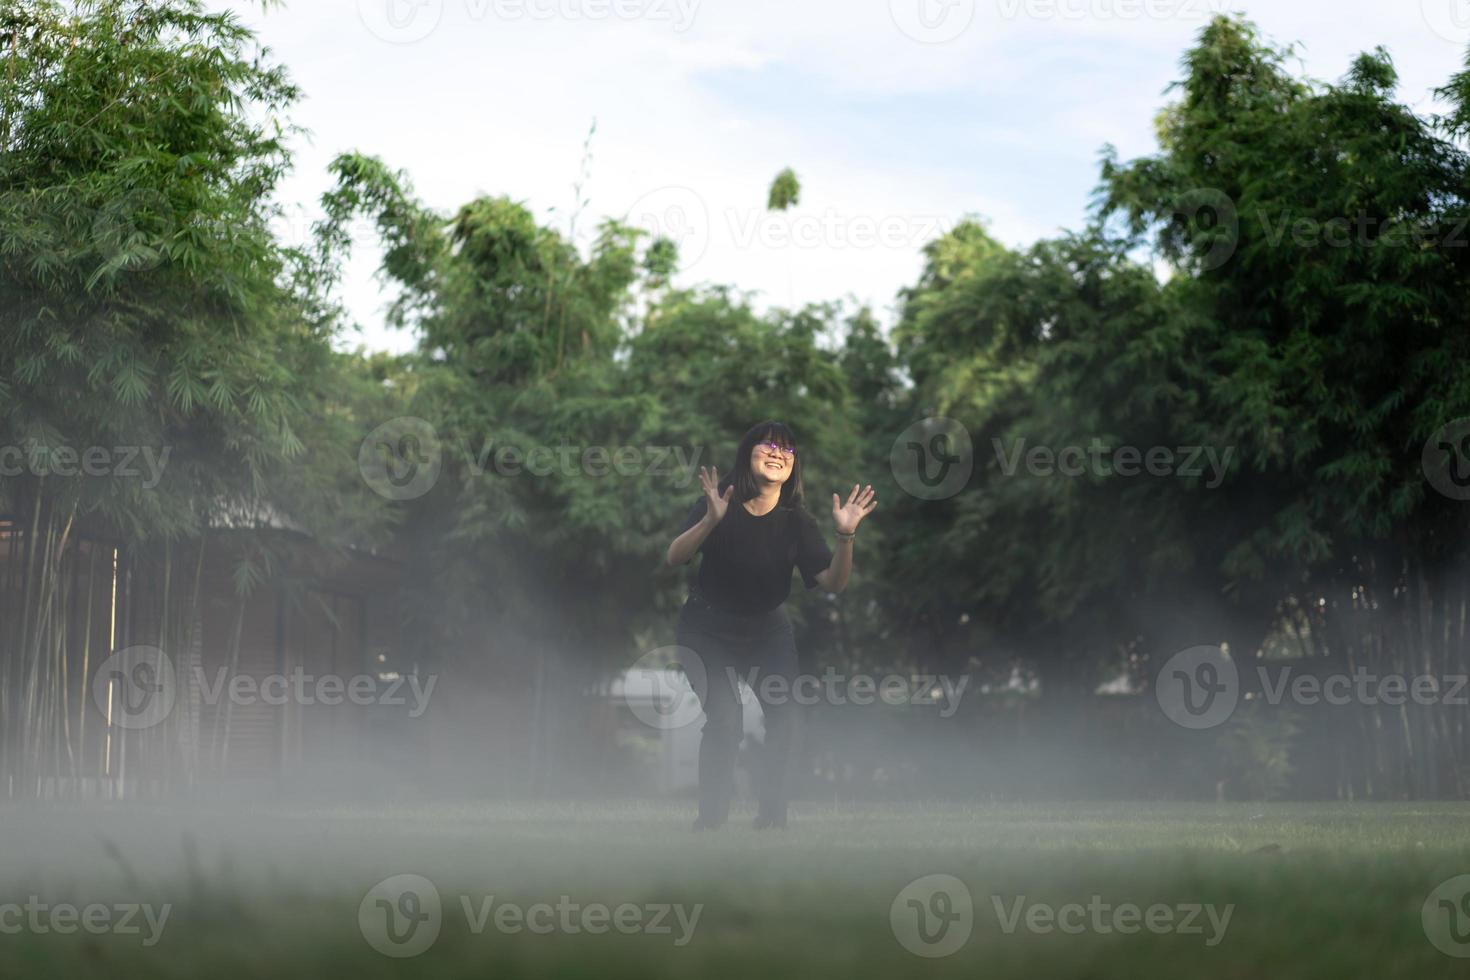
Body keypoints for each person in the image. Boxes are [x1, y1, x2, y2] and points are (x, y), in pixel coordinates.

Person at [665, 421, 876, 830]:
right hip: (706, 630)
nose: (778, 453)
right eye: (769, 445)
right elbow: (675, 557)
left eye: (788, 449)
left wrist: (845, 536)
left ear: (793, 465)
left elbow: (832, 582)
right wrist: (710, 520)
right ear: (748, 453)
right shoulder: (718, 501)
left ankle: (772, 820)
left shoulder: (796, 521)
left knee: (787, 719)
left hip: (767, 633)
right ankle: (710, 822)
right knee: (726, 719)